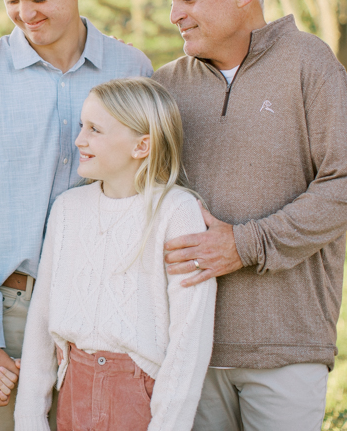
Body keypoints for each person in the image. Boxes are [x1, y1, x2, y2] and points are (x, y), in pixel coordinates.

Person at [154, 0, 347, 431]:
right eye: (172, 1)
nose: (175, 15)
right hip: (189, 346)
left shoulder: (308, 62)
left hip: (285, 343)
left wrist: (244, 244)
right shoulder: (164, 87)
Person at [0, 0, 154, 431]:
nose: (25, 14)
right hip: (15, 308)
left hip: (113, 302)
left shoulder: (133, 69)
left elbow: (153, 189)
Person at [13, 78, 216, 431]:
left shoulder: (177, 211)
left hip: (140, 393)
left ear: (141, 145)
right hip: (73, 386)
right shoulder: (67, 209)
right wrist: (29, 418)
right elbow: (41, 322)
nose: (79, 140)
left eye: (95, 129)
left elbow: (189, 339)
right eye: (82, 126)